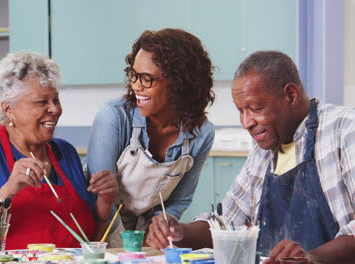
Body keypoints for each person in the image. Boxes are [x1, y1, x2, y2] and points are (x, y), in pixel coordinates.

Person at [146, 51, 355, 264]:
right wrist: (180, 232)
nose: (246, 122)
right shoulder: (263, 152)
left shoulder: (344, 129)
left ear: (290, 95)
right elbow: (225, 224)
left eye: (255, 109)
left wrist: (313, 258)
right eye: (241, 111)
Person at [0, 51, 118, 249]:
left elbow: (89, 241)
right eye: (42, 102)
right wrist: (7, 191)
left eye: (55, 100)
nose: (54, 110)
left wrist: (105, 203)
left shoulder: (66, 153)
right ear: (8, 109)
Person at [86, 28, 215, 244]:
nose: (136, 86)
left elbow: (178, 200)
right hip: (100, 226)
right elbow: (98, 196)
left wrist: (157, 230)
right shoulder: (114, 117)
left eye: (146, 79)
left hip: (144, 234)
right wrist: (126, 245)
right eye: (134, 75)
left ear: (179, 82)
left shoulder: (201, 134)